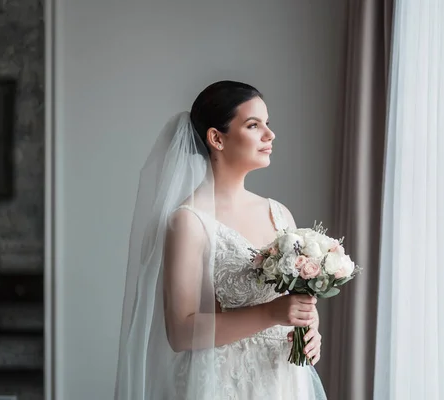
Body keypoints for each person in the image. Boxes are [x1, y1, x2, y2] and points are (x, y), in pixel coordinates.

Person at [115, 81, 327, 399]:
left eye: (267, 124)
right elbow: (180, 331)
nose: (270, 136)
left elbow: (292, 302)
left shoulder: (279, 214)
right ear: (217, 138)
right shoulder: (189, 221)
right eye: (253, 125)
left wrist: (309, 329)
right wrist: (272, 314)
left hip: (283, 380)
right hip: (223, 383)